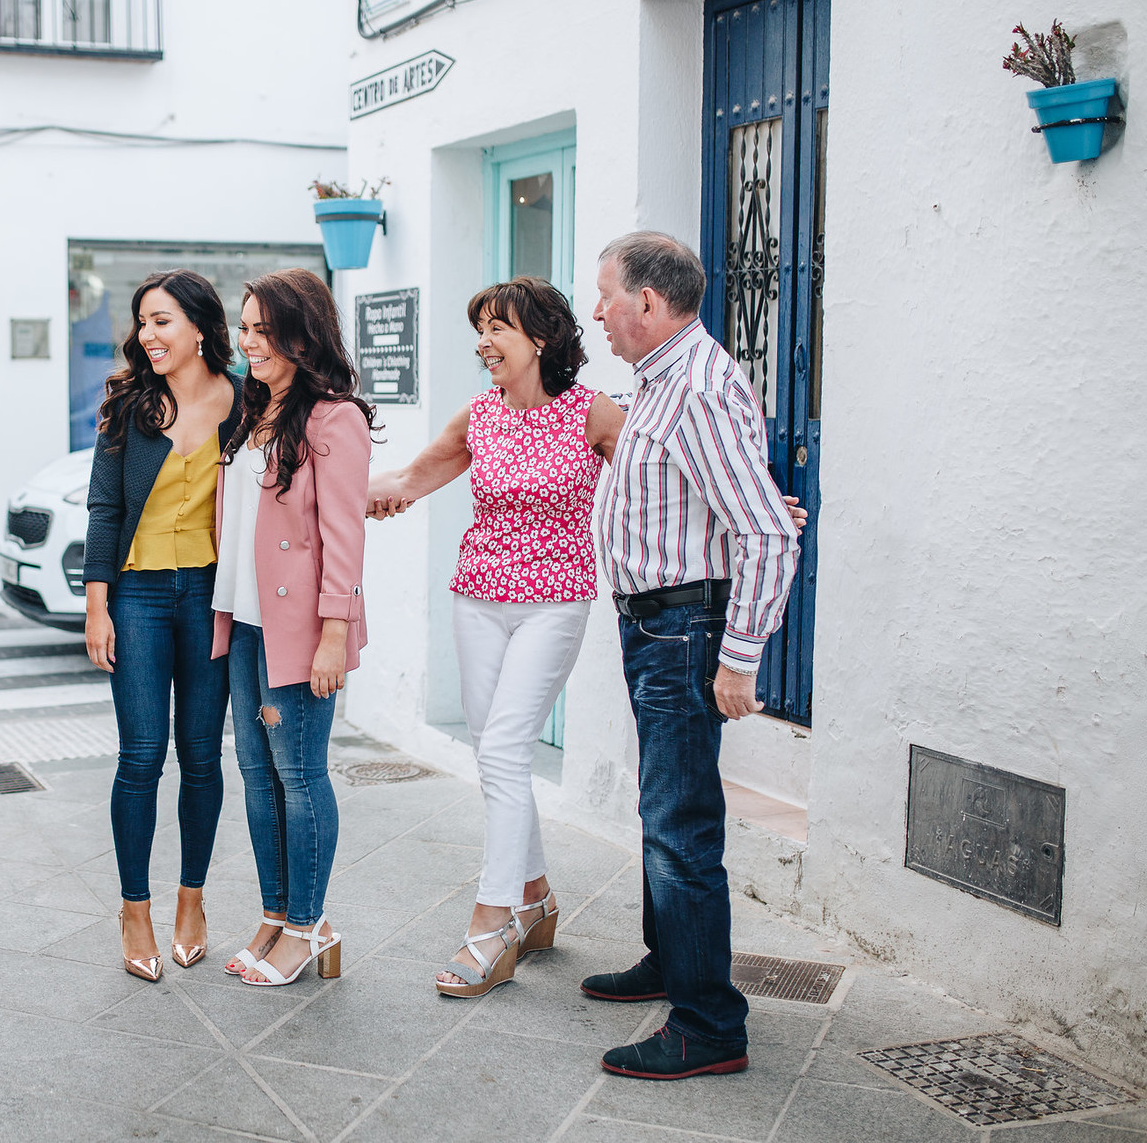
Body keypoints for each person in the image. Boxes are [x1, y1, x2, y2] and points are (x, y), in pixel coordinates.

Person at [366, 277, 624, 998]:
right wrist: (308, 496)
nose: (483, 342)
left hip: (554, 603)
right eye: (479, 328)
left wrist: (750, 504)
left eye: (497, 328)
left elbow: (661, 478)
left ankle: (493, 924)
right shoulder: (478, 416)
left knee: (505, 749)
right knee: (495, 753)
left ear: (540, 337)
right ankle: (536, 897)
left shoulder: (592, 414)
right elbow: (412, 478)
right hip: (477, 601)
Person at [583, 231, 802, 1079]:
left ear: (648, 301)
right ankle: (672, 961)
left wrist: (739, 660)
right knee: (662, 809)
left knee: (680, 827)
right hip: (655, 626)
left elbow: (766, 533)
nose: (596, 311)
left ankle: (708, 1022)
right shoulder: (660, 380)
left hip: (682, 633)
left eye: (606, 295)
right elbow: (712, 499)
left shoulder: (698, 389)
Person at [212, 268, 372, 988]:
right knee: (257, 776)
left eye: (262, 329)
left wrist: (334, 632)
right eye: (244, 328)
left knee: (299, 777)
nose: (250, 342)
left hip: (299, 630)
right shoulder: (253, 413)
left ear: (300, 334)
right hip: (247, 623)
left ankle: (307, 927)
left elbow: (344, 537)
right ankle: (278, 915)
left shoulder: (334, 418)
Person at [84, 270, 245, 983]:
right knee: (141, 758)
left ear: (201, 328)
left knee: (204, 758)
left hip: (212, 598)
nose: (148, 335)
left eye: (162, 322)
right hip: (140, 598)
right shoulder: (128, 407)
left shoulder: (247, 402)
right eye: (143, 323)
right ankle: (134, 909)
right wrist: (97, 606)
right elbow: (103, 510)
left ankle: (191, 902)